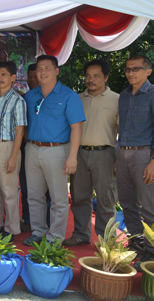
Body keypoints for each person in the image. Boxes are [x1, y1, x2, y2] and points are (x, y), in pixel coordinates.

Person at [23, 55, 85, 245]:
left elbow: (77, 127)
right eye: (40, 69)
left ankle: (55, 236)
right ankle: (39, 231)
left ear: (57, 71)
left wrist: (72, 156)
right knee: (34, 195)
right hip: (32, 148)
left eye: (47, 68)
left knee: (58, 198)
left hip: (57, 150)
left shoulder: (69, 96)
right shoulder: (30, 95)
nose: (43, 72)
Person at [64, 59, 119, 246]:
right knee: (79, 197)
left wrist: (118, 158)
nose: (91, 79)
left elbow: (122, 130)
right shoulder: (77, 99)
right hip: (79, 153)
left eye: (96, 76)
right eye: (88, 75)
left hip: (105, 154)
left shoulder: (117, 100)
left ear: (106, 77)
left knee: (106, 199)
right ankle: (81, 234)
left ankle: (106, 240)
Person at [116, 55, 154, 269]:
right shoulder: (123, 96)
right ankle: (137, 243)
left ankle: (151, 251)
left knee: (149, 207)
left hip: (144, 155)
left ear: (148, 71)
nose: (131, 73)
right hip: (123, 153)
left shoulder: (152, 94)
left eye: (136, 69)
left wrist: (153, 161)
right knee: (128, 203)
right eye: (128, 69)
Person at [0, 61, 27, 241]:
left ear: (13, 78)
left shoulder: (18, 100)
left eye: (4, 75)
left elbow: (20, 130)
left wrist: (13, 156)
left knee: (8, 190)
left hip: (7, 146)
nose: (0, 78)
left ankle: (11, 228)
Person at [19, 62, 38, 232]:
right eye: (29, 77)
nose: (32, 80)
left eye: (35, 76)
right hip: (26, 148)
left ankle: (45, 221)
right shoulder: (25, 98)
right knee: (26, 186)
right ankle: (27, 218)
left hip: (46, 149)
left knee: (45, 190)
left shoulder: (53, 97)